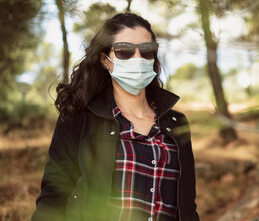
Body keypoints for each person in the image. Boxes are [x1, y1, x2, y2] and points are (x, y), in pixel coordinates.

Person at [31, 12, 199, 221]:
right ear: (105, 60)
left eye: (147, 51)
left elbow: (187, 207)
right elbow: (54, 195)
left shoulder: (176, 124)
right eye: (124, 51)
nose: (138, 59)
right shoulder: (79, 117)